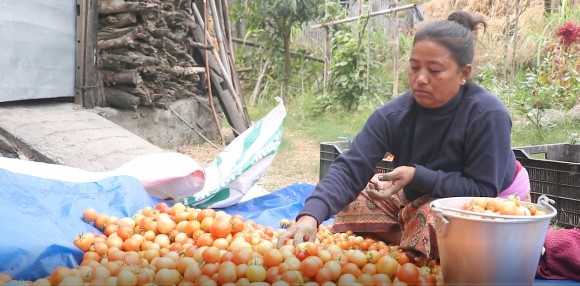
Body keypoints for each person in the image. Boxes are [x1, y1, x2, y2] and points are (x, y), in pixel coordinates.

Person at [276, 11, 531, 263]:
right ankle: (414, 237)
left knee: (437, 220)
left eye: (434, 70)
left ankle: (421, 236)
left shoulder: (488, 114)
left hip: (491, 200)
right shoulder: (394, 115)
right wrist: (309, 218)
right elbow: (351, 167)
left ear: (463, 73)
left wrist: (416, 175)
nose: (420, 79)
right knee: (353, 201)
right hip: (424, 193)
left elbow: (482, 189)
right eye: (414, 67)